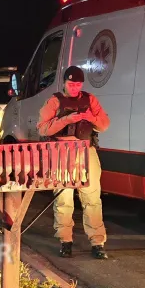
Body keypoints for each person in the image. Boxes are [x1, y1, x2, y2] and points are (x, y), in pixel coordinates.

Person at [37, 65, 110, 259]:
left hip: (87, 151)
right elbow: (43, 129)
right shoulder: (54, 101)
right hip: (63, 152)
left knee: (92, 198)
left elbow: (104, 125)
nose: (74, 88)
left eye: (78, 84)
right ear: (64, 83)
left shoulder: (90, 99)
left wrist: (89, 117)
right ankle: (65, 241)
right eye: (71, 84)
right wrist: (66, 120)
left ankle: (97, 242)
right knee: (63, 199)